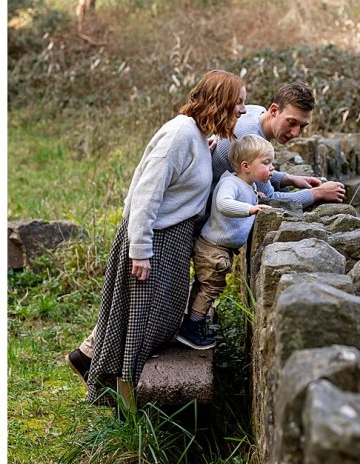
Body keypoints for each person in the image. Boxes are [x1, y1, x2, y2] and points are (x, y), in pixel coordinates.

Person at [72, 70, 246, 404]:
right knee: (142, 326)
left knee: (157, 323)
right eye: (238, 102)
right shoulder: (179, 135)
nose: (242, 109)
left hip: (171, 239)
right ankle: (122, 401)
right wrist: (139, 251)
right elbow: (147, 194)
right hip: (154, 239)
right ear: (220, 103)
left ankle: (98, 371)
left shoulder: (195, 135)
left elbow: (181, 182)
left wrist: (204, 151)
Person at [176, 134, 274, 350]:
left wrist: (255, 198)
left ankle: (192, 322)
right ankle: (191, 329)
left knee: (205, 285)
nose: (272, 168)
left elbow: (243, 197)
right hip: (212, 249)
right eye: (266, 163)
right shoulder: (230, 183)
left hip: (216, 247)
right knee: (211, 286)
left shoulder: (245, 185)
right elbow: (223, 204)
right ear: (246, 166)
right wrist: (250, 209)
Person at [209, 81, 345, 209]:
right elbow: (269, 200)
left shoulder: (255, 111)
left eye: (303, 126)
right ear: (274, 110)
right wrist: (318, 193)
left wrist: (289, 179)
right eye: (291, 122)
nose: (296, 133)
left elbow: (250, 170)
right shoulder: (250, 138)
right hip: (214, 213)